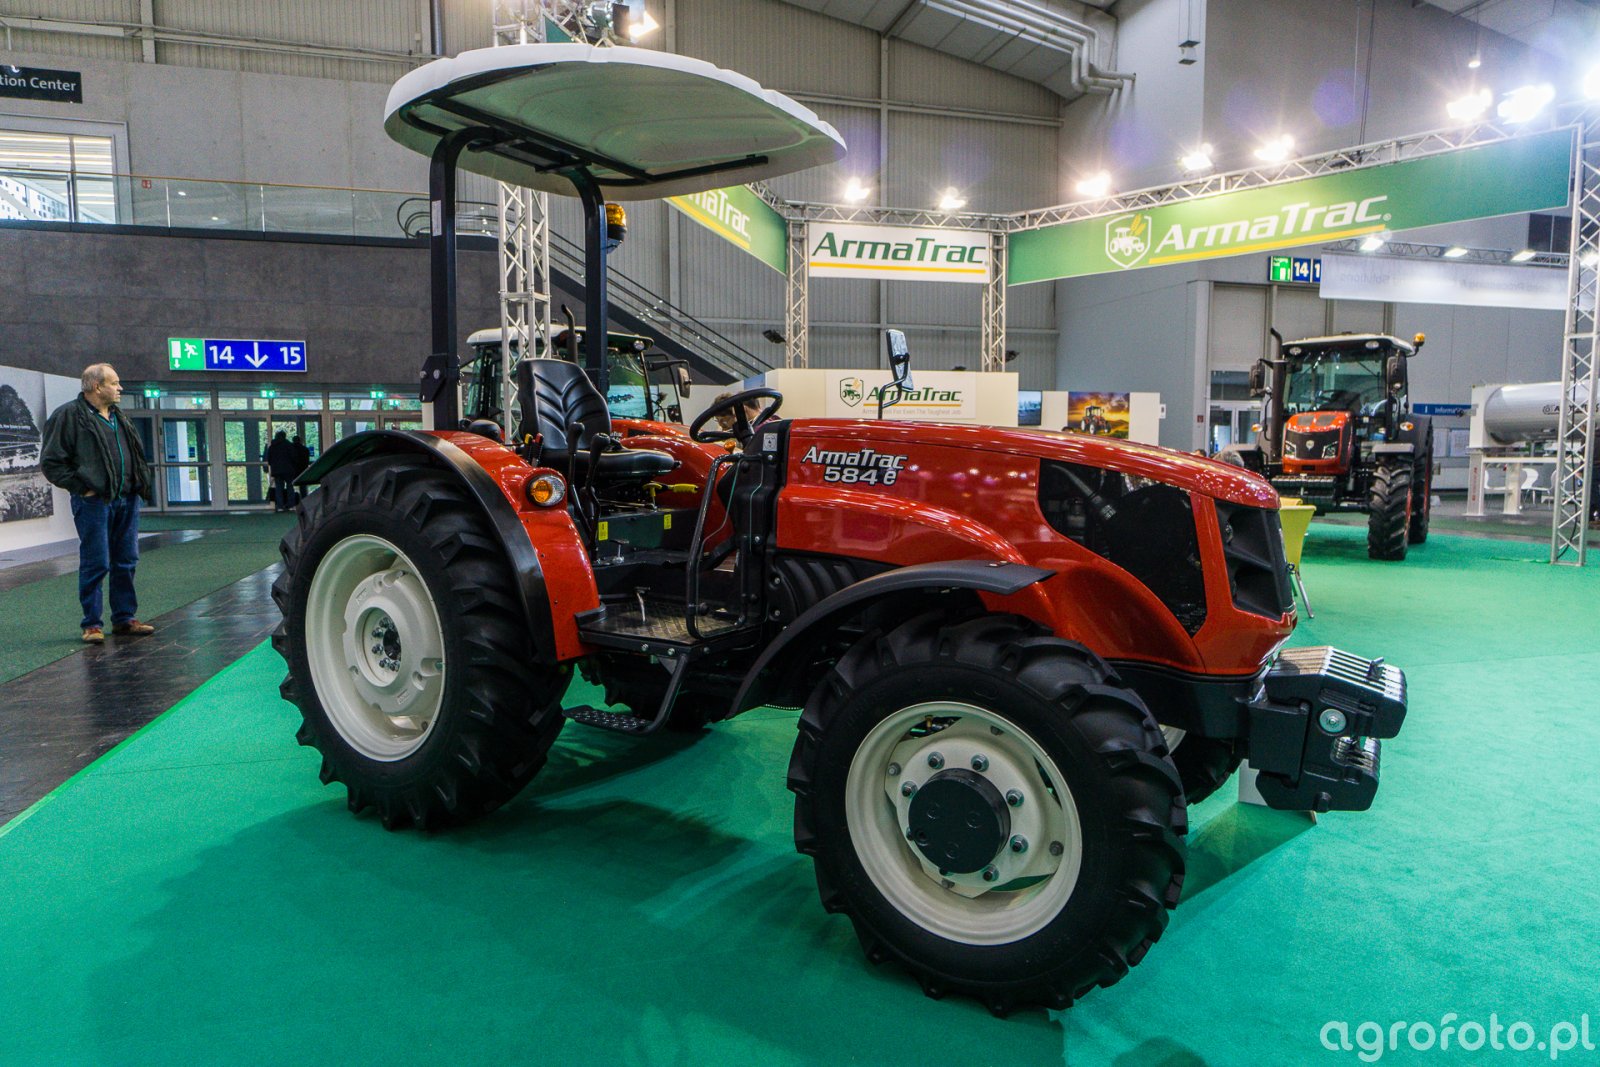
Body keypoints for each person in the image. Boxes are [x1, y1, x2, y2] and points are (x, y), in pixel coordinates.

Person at [40, 363, 156, 643]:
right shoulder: (68, 416)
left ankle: (124, 619)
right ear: (97, 387)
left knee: (126, 560)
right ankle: (92, 624)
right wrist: (83, 489)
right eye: (114, 383)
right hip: (94, 503)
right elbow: (52, 463)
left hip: (127, 499)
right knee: (97, 562)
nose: (120, 388)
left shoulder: (119, 417)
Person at [266, 430, 297, 512]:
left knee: (279, 488)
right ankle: (291, 505)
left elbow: (269, 459)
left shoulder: (272, 446)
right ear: (284, 436)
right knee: (290, 487)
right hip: (288, 470)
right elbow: (294, 457)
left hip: (277, 470)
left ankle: (280, 506)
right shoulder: (289, 445)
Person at [289, 434, 312, 507]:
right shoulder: (305, 449)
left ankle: (292, 503)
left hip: (293, 470)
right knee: (303, 487)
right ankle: (305, 502)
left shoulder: (291, 449)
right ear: (300, 441)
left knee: (290, 486)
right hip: (302, 470)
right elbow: (306, 460)